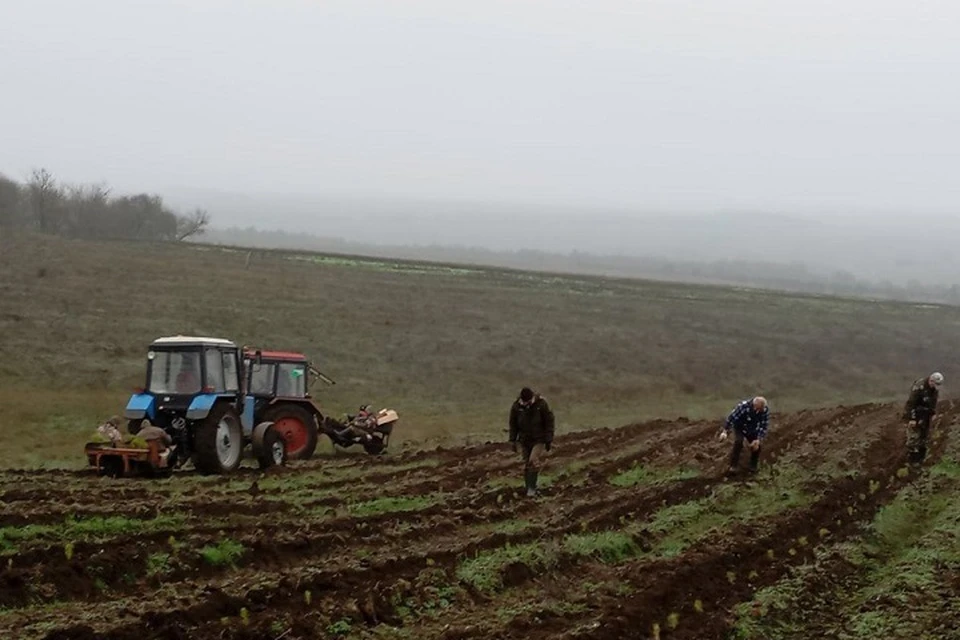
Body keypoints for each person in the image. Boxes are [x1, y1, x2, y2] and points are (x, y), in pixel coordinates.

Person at [508, 387, 555, 497]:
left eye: (528, 402)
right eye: (524, 402)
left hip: (539, 439)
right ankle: (528, 486)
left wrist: (548, 440)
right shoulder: (516, 407)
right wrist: (513, 441)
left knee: (533, 461)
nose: (526, 404)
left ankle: (532, 489)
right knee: (526, 464)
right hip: (524, 440)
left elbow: (549, 422)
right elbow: (513, 425)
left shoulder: (541, 405)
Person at [719, 396, 769, 474]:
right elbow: (732, 418)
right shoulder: (743, 406)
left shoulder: (764, 410)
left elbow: (764, 425)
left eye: (760, 410)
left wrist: (758, 439)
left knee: (757, 447)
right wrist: (725, 431)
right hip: (740, 426)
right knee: (738, 442)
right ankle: (733, 466)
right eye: (758, 409)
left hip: (752, 428)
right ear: (754, 405)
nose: (759, 411)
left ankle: (753, 466)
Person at [902, 372, 943, 464]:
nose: (936, 386)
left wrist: (933, 413)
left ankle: (921, 458)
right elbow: (911, 403)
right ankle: (911, 459)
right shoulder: (919, 387)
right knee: (914, 436)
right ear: (931, 380)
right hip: (916, 413)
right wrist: (912, 418)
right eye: (935, 384)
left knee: (924, 436)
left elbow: (933, 401)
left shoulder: (934, 389)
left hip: (925, 414)